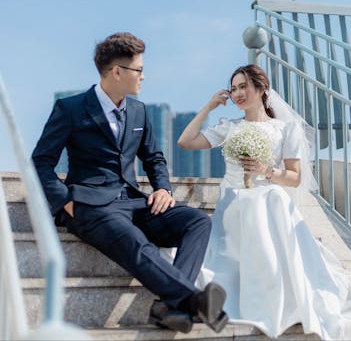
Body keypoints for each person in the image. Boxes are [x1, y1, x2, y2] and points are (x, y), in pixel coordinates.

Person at [177, 64, 351, 340]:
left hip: (265, 201)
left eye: (243, 86)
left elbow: (295, 178)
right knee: (253, 203)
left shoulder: (285, 129)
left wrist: (265, 171)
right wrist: (209, 107)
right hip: (232, 204)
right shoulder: (230, 128)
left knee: (270, 196)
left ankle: (273, 292)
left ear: (262, 89)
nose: (237, 93)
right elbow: (185, 141)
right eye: (233, 88)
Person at [31, 32, 228, 334]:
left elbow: (154, 159)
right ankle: (194, 301)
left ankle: (170, 306)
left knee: (197, 221)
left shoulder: (139, 111)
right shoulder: (70, 109)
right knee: (136, 243)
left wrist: (163, 188)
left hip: (134, 201)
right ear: (117, 72)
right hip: (91, 205)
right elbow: (41, 162)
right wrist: (66, 201)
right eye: (139, 70)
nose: (144, 77)